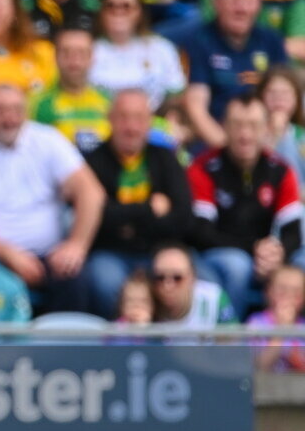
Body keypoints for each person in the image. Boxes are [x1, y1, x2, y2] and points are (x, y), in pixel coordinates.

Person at [0, 84, 105, 313]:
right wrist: (10, 255)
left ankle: (65, 348)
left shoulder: (48, 140)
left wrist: (76, 245)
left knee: (75, 279)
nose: (9, 118)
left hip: (52, 254)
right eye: (0, 111)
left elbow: (91, 192)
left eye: (16, 110)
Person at [188, 93, 303, 318]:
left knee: (300, 263)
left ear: (266, 129)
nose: (245, 134)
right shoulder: (203, 168)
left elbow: (293, 231)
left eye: (253, 125)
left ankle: (295, 341)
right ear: (225, 127)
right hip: (214, 257)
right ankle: (232, 342)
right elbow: (201, 234)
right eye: (237, 125)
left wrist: (277, 254)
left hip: (264, 255)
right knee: (237, 265)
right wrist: (253, 248)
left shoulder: (280, 169)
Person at [84, 89, 193, 317]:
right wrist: (149, 210)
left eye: (138, 119)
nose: (131, 127)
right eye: (123, 117)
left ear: (149, 123)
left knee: (203, 281)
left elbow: (183, 217)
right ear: (110, 119)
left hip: (161, 251)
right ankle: (118, 346)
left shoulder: (165, 158)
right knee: (105, 281)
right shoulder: (94, 161)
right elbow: (99, 219)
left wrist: (126, 221)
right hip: (112, 253)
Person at [183, 0, 288, 148]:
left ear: (258, 4)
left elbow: (286, 101)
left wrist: (267, 145)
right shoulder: (199, 42)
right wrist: (230, 153)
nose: (242, 8)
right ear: (216, 2)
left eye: (248, 0)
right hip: (215, 139)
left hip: (269, 141)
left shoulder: (272, 41)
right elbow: (196, 108)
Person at [88, 0, 186, 113]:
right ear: (101, 10)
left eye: (126, 6)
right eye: (110, 5)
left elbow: (175, 97)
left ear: (139, 10)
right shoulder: (87, 50)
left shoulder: (162, 49)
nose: (118, 11)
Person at [30, 26, 110, 152]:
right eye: (66, 52)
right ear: (55, 57)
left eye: (81, 53)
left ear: (92, 58)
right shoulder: (37, 103)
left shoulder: (110, 102)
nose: (74, 60)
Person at [151, 243, 239, 326]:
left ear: (192, 277)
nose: (168, 286)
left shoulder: (214, 299)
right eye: (160, 278)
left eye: (177, 278)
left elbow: (232, 340)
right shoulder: (145, 301)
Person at [248, 264, 305, 371]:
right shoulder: (257, 323)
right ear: (268, 291)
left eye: (296, 292)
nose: (289, 296)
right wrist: (281, 332)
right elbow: (259, 367)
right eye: (282, 290)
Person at [257, 66, 305, 187]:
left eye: (285, 93)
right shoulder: (252, 135)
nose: (279, 99)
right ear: (261, 97)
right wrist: (275, 134)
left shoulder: (301, 136)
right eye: (272, 92)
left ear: (296, 99)